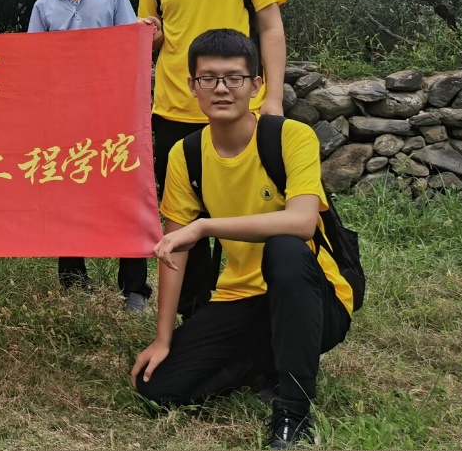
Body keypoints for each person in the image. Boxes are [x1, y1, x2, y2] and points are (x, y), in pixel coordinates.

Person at [132, 29, 351, 449]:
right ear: (192, 86)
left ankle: (293, 410)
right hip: (243, 298)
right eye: (208, 78)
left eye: (234, 78)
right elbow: (174, 252)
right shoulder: (186, 154)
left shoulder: (290, 136)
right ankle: (274, 358)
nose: (221, 88)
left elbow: (303, 222)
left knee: (285, 249)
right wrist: (163, 339)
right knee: (157, 387)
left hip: (315, 298)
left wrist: (206, 227)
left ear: (256, 85)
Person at [120, 0, 288, 316]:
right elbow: (154, 38)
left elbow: (271, 28)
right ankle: (193, 314)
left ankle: (254, 303)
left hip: (239, 111)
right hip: (173, 110)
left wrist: (273, 97)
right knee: (180, 218)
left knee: (251, 212)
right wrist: (149, 34)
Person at [26, 0, 158, 305]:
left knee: (124, 194)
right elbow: (34, 60)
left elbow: (129, 49)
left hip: (112, 114)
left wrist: (145, 31)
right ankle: (73, 282)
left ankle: (134, 288)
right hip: (64, 116)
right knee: (67, 197)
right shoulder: (43, 6)